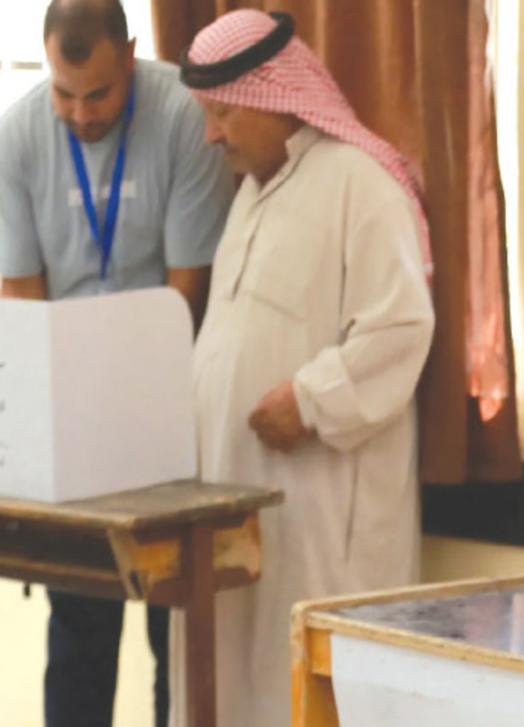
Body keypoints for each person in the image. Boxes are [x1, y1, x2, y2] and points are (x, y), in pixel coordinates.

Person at [170, 9, 434, 725]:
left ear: (274, 97)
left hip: (319, 517)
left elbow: (402, 329)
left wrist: (312, 401)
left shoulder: (359, 182)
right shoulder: (254, 194)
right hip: (236, 515)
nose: (211, 134)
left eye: (223, 112)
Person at [0, 1, 234, 725]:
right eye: (63, 93)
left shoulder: (182, 120)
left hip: (167, 407)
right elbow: (22, 300)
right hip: (72, 421)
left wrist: (133, 402)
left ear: (129, 55)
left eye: (97, 94)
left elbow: (186, 292)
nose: (79, 114)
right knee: (78, 629)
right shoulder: (17, 134)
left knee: (175, 630)